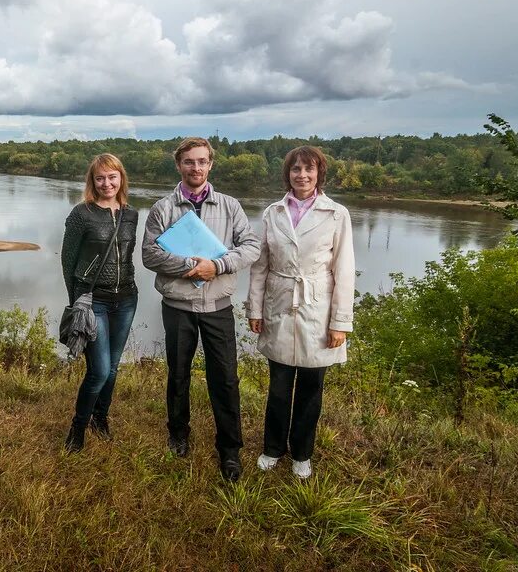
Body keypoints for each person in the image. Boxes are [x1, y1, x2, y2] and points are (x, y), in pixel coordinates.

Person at [142, 137, 260, 482]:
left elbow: (251, 246)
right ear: (179, 165)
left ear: (211, 165)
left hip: (218, 306)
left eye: (203, 161)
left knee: (225, 378)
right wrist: (190, 264)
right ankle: (178, 434)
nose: (196, 167)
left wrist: (218, 266)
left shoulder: (230, 206)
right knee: (178, 374)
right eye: (189, 162)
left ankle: (230, 450)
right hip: (178, 306)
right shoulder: (163, 208)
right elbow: (150, 255)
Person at [246, 146, 355, 480]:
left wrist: (340, 322)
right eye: (296, 169)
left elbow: (344, 270)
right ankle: (273, 447)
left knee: (311, 387)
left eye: (309, 169)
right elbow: (261, 265)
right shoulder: (272, 213)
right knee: (279, 384)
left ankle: (302, 453)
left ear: (320, 173)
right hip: (279, 303)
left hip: (317, 308)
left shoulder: (336, 214)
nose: (302, 175)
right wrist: (255, 307)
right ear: (287, 173)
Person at [61, 153, 139, 452]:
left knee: (114, 367)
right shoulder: (82, 214)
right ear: (92, 182)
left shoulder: (131, 214)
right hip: (93, 301)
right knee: (99, 370)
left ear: (121, 178)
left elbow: (129, 256)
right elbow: (68, 261)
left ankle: (100, 418)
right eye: (100, 178)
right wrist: (76, 302)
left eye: (112, 177)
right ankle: (77, 427)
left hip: (127, 298)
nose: (107, 183)